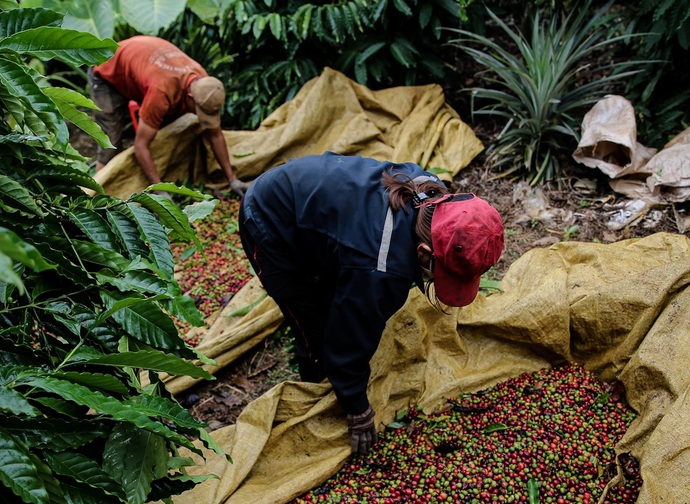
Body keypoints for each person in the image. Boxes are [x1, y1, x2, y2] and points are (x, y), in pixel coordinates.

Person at [239, 152, 504, 455]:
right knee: (313, 322)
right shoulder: (379, 268)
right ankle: (317, 384)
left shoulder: (432, 193)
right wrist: (357, 408)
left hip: (321, 203)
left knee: (345, 290)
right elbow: (346, 340)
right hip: (269, 217)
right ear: (423, 252)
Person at [88, 36, 248, 198]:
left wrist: (232, 179)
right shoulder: (162, 92)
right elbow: (140, 145)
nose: (200, 117)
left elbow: (215, 133)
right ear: (190, 97)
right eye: (200, 112)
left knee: (168, 132)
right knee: (110, 145)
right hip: (107, 69)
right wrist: (159, 191)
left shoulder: (204, 84)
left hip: (140, 66)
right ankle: (94, 197)